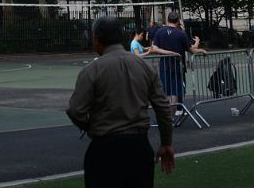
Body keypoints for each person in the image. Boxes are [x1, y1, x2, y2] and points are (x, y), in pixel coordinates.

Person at [67, 15, 175, 188]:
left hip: (105, 147)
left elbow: (75, 110)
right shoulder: (146, 67)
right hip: (139, 146)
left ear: (97, 39)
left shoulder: (92, 70)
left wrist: (92, 126)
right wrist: (166, 142)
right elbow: (162, 107)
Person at [150, 12, 206, 113]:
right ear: (178, 21)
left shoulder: (160, 32)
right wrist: (200, 49)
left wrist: (166, 53)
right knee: (174, 92)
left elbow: (154, 48)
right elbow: (191, 50)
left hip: (164, 66)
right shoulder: (181, 34)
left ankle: (166, 116)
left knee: (166, 91)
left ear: (168, 20)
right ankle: (171, 116)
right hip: (176, 66)